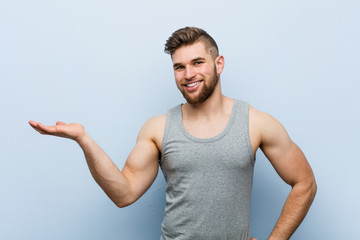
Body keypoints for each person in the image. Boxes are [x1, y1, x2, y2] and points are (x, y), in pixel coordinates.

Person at [29, 27, 317, 240]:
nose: (188, 74)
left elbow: (304, 183)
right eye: (179, 67)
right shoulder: (158, 128)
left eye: (197, 63)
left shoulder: (256, 122)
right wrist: (84, 140)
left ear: (219, 64)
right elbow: (124, 193)